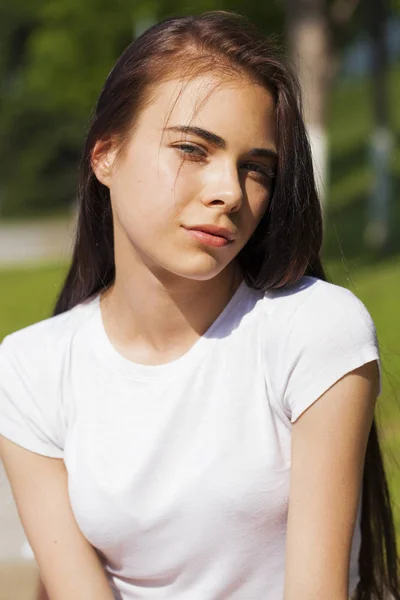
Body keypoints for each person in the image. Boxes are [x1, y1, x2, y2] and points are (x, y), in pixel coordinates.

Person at [0, 10, 398, 600]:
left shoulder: (313, 333)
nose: (230, 192)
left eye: (255, 169)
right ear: (105, 155)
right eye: (192, 148)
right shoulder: (30, 369)